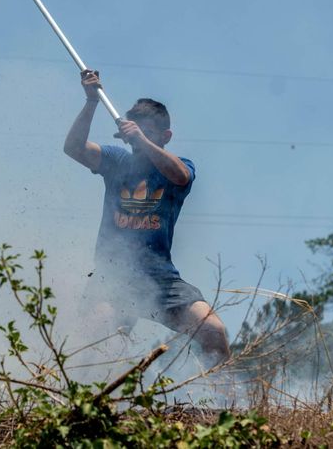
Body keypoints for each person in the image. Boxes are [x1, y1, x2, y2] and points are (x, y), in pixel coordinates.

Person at [64, 69, 230, 366]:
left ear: (165, 136)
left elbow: (179, 176)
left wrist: (142, 141)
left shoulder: (178, 167)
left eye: (147, 132)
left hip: (161, 279)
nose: (136, 137)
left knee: (212, 330)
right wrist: (91, 102)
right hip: (113, 278)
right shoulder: (117, 161)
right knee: (94, 336)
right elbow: (74, 148)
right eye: (134, 130)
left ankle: (229, 401)